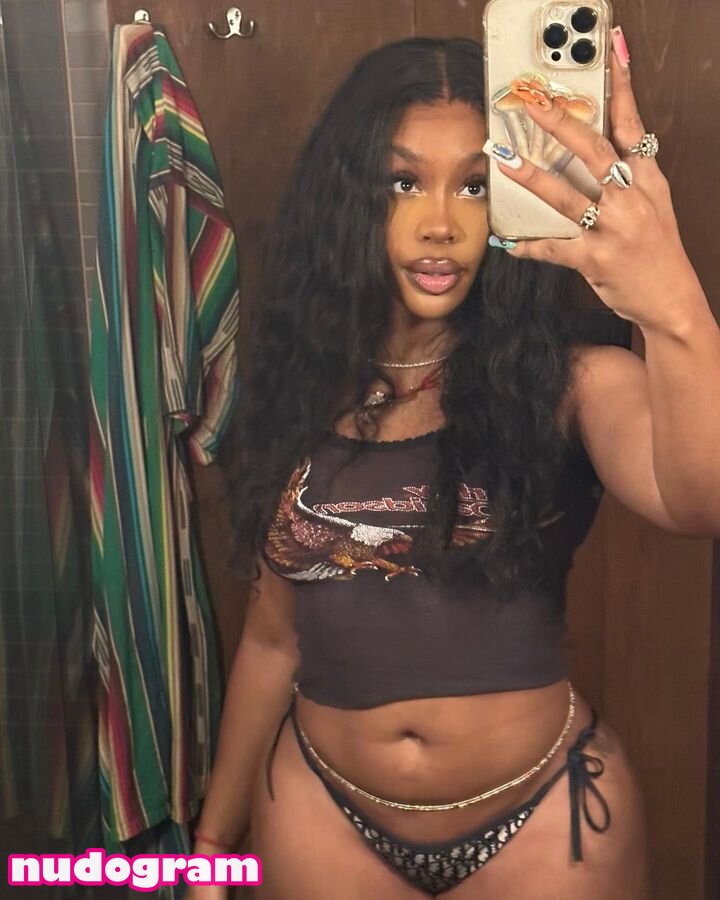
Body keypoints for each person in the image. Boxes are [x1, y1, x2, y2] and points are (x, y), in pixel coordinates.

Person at [187, 31, 720, 900]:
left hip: (546, 826)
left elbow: (701, 499)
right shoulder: (298, 386)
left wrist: (676, 308)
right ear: (350, 199)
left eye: (475, 185)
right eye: (404, 182)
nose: (441, 222)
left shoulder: (572, 383)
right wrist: (213, 843)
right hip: (323, 817)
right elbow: (273, 636)